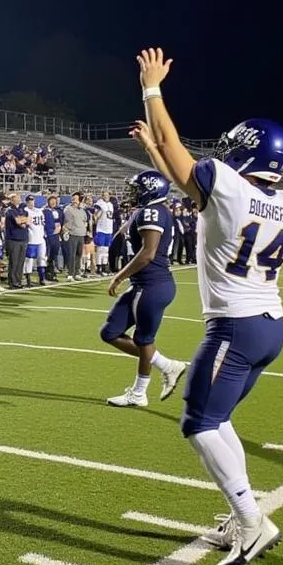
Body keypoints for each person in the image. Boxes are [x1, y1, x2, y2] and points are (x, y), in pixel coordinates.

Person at [131, 45, 283, 565]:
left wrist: (152, 88)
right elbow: (183, 171)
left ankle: (252, 521)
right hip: (269, 326)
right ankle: (245, 514)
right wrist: (154, 151)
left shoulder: (227, 186)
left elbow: (179, 151)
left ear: (246, 153)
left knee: (199, 421)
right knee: (219, 417)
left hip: (233, 325)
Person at [103, 170, 187, 408]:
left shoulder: (153, 211)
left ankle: (139, 394)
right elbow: (128, 234)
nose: (133, 193)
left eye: (137, 189)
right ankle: (167, 365)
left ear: (151, 189)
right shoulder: (148, 210)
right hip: (144, 285)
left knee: (143, 340)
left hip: (151, 284)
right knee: (109, 332)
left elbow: (148, 253)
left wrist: (118, 277)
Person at [4, 192, 29, 290]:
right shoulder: (10, 211)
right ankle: (12, 281)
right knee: (14, 262)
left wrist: (23, 220)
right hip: (13, 239)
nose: (19, 198)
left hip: (23, 238)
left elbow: (28, 220)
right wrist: (23, 220)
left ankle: (18, 280)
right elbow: (19, 221)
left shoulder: (21, 210)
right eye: (17, 197)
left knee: (20, 262)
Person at [24, 193, 48, 286]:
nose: (31, 203)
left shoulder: (39, 211)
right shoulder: (25, 211)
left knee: (41, 258)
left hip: (41, 238)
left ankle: (42, 278)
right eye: (29, 201)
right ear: (26, 202)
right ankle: (28, 279)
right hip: (31, 239)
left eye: (32, 201)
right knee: (29, 259)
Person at [62, 193, 87, 280]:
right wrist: (66, 231)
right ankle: (70, 273)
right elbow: (65, 222)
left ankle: (77, 272)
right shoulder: (68, 209)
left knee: (78, 254)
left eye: (76, 199)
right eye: (73, 198)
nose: (74, 200)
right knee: (71, 255)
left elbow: (85, 220)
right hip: (72, 234)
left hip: (81, 234)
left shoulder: (82, 210)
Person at [93, 191, 115, 275]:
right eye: (104, 195)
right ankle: (99, 267)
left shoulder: (111, 204)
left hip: (109, 229)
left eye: (107, 195)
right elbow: (95, 216)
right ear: (102, 196)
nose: (106, 196)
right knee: (100, 249)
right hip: (101, 229)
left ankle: (104, 266)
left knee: (106, 249)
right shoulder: (99, 203)